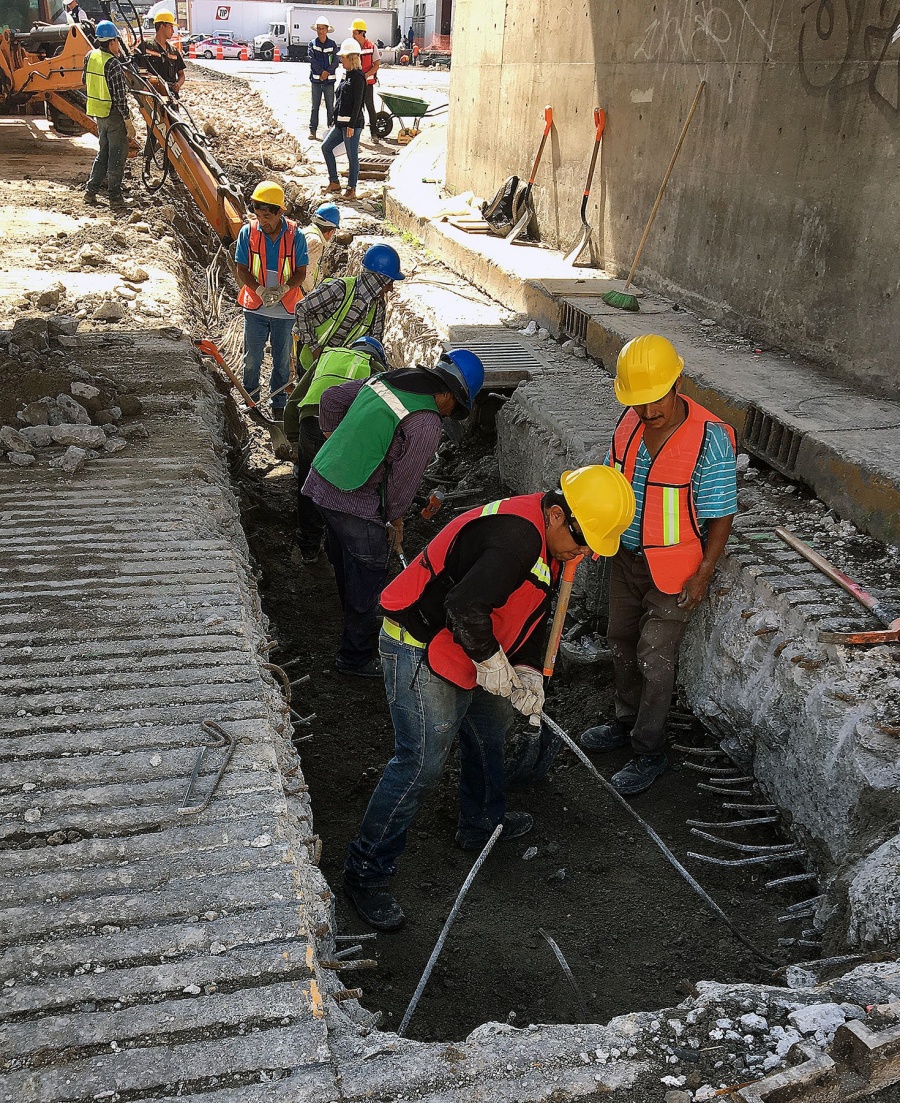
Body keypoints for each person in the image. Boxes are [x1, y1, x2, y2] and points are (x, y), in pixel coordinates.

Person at [342, 465, 637, 929]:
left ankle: (480, 823)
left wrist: (525, 670)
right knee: (421, 762)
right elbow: (463, 605)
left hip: (476, 643)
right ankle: (365, 873)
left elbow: (537, 610)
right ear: (558, 514)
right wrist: (490, 661)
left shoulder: (556, 544)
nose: (588, 555)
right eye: (584, 543)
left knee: (490, 728)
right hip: (422, 642)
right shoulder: (515, 538)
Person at [580, 335, 738, 796]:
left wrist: (705, 572)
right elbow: (613, 486)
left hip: (675, 570)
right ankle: (624, 720)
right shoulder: (629, 425)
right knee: (621, 639)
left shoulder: (709, 439)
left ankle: (649, 748)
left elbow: (721, 512)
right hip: (625, 558)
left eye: (654, 401)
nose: (647, 412)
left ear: (677, 383)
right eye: (638, 403)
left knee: (654, 653)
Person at [302, 349, 485, 679]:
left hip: (322, 482)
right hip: (353, 501)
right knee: (371, 569)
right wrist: (394, 517)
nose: (448, 414)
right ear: (447, 393)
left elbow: (330, 398)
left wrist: (336, 442)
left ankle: (351, 616)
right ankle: (355, 657)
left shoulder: (389, 378)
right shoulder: (426, 423)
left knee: (348, 560)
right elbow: (402, 484)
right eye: (454, 407)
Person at [287, 335, 387, 564]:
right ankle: (336, 546)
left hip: (311, 421)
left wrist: (294, 440)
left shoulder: (327, 356)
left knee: (307, 484)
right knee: (342, 487)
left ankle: (308, 548)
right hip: (345, 430)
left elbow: (294, 401)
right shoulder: (377, 369)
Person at [235, 181, 308, 419]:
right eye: (258, 215)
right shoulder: (249, 232)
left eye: (266, 215)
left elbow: (301, 272)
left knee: (281, 360)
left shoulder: (295, 235)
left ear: (279, 212)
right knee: (252, 358)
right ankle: (251, 400)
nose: (262, 221)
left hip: (285, 310)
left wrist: (284, 288)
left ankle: (278, 403)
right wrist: (260, 291)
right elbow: (242, 269)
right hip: (256, 307)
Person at [292, 241, 400, 377]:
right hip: (311, 356)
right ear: (377, 280)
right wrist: (315, 348)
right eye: (389, 283)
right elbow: (302, 309)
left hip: (337, 365)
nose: (390, 289)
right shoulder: (340, 289)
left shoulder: (378, 306)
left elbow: (373, 342)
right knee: (307, 394)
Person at [83, 21, 136, 211]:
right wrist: (128, 121)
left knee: (103, 153)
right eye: (116, 41)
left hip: (98, 113)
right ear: (112, 42)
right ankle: (115, 197)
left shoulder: (90, 56)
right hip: (113, 114)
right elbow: (120, 98)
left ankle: (90, 192)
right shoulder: (112, 64)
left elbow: (84, 80)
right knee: (117, 155)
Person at [321, 38, 365, 200]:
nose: (341, 60)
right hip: (340, 123)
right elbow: (339, 98)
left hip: (351, 125)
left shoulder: (359, 77)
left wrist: (352, 125)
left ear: (351, 58)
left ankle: (351, 188)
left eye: (343, 57)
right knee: (326, 147)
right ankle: (334, 181)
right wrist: (334, 118)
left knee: (352, 157)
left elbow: (358, 104)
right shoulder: (346, 75)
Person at [135, 10, 186, 97]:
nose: (173, 31)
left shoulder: (173, 51)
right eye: (171, 26)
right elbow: (134, 68)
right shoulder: (146, 46)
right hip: (152, 97)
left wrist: (178, 84)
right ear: (162, 26)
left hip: (170, 96)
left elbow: (181, 74)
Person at [307, 20, 338, 140]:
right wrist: (321, 72)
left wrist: (327, 72)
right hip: (316, 81)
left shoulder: (333, 44)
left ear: (327, 30)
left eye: (322, 28)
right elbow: (312, 59)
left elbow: (336, 61)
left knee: (330, 106)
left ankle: (331, 131)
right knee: (315, 106)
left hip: (329, 81)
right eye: (318, 29)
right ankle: (313, 130)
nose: (320, 31)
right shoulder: (312, 44)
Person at [300, 202, 339, 295]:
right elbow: (306, 274)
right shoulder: (316, 242)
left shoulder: (306, 232)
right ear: (331, 231)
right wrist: (312, 295)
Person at [350, 19, 379, 141]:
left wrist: (366, 75)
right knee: (354, 108)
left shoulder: (372, 47)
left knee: (369, 107)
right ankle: (354, 134)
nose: (353, 35)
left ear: (362, 33)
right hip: (355, 84)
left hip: (367, 84)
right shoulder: (352, 46)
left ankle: (374, 133)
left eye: (355, 33)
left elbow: (376, 65)